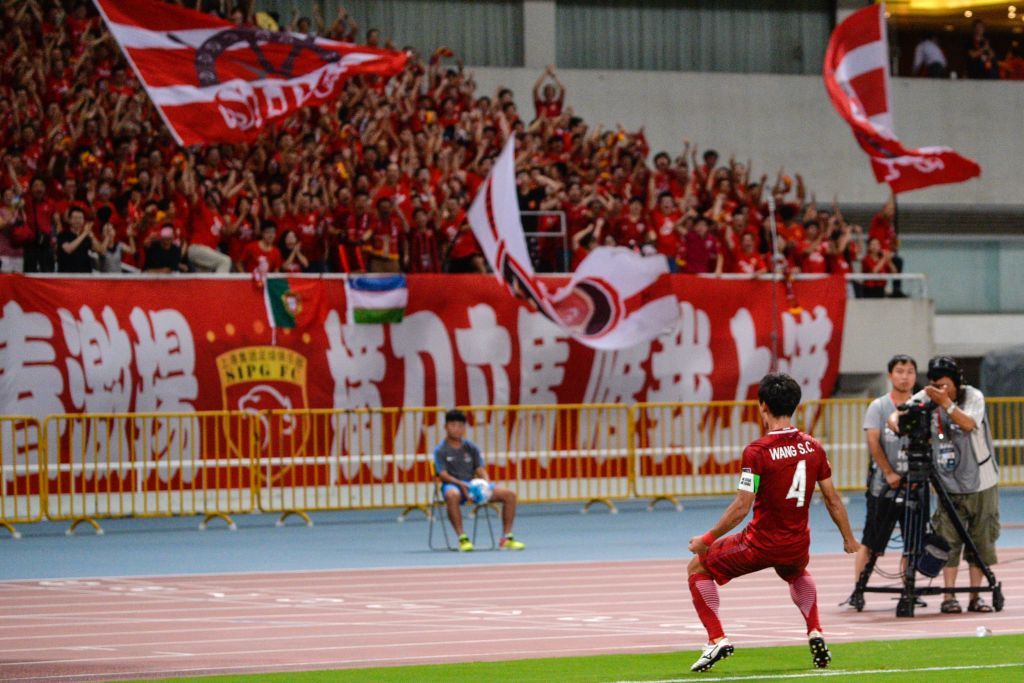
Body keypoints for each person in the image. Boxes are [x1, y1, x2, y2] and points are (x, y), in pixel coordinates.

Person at [686, 373, 858, 673]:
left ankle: (716, 638)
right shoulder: (814, 447)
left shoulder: (757, 452)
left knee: (697, 567)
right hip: (796, 543)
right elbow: (832, 498)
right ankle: (815, 630)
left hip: (759, 544)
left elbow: (742, 506)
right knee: (796, 572)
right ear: (795, 405)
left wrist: (708, 538)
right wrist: (848, 538)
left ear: (762, 406)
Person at [894, 357, 1000, 614]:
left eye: (944, 385)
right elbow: (900, 413)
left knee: (980, 541)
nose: (939, 390)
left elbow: (968, 423)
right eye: (934, 385)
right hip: (947, 484)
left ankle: (976, 597)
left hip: (981, 482)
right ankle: (948, 596)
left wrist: (945, 403)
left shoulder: (974, 396)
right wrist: (896, 420)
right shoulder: (929, 394)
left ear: (956, 382)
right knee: (948, 542)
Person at [847, 354, 918, 610]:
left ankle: (909, 589)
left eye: (910, 371)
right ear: (890, 375)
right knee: (872, 539)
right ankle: (859, 589)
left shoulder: (921, 405)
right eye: (900, 371)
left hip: (915, 485)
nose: (905, 376)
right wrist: (889, 472)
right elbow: (873, 442)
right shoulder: (879, 406)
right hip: (882, 485)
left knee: (913, 541)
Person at [433, 409, 524, 552]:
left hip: (473, 486)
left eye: (460, 425)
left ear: (464, 428)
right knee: (452, 495)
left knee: (509, 495)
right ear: (446, 427)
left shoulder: (471, 447)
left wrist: (486, 483)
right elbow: (442, 474)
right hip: (454, 485)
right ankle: (462, 538)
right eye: (453, 425)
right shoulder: (440, 450)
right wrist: (460, 483)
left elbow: (480, 469)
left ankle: (506, 538)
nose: (456, 429)